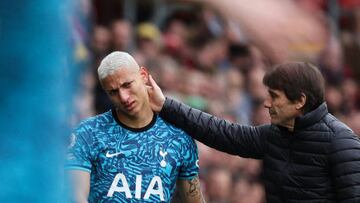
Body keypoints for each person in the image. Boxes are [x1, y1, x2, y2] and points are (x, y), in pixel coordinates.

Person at [147, 61, 360, 202]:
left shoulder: (342, 144)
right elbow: (220, 132)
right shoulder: (274, 136)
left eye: (275, 96)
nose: (267, 103)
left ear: (300, 101)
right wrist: (166, 106)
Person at [66, 51, 205, 203]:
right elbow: (75, 197)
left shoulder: (179, 138)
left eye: (127, 85)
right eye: (113, 92)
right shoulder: (88, 133)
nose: (124, 97)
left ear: (143, 75)